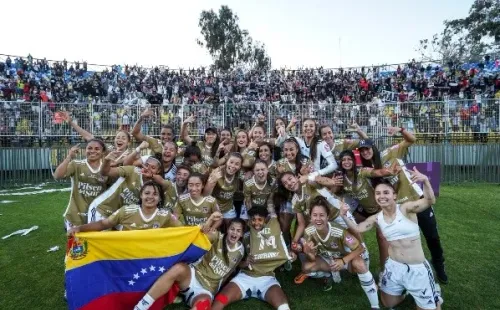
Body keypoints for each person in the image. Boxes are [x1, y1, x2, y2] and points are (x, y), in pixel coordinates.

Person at [340, 169, 443, 310]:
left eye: (386, 192)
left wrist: (425, 181)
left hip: (416, 269)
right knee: (388, 303)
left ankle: (435, 294)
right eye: (378, 193)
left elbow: (430, 200)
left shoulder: (406, 209)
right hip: (394, 267)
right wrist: (344, 215)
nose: (382, 196)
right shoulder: (377, 218)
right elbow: (358, 228)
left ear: (394, 195)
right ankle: (407, 291)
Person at [359, 130, 448, 284]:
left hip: (416, 199)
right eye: (362, 151)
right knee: (405, 241)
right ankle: (405, 274)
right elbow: (376, 173)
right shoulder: (365, 169)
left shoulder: (390, 152)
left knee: (432, 236)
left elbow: (411, 139)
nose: (365, 152)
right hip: (399, 210)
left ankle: (438, 263)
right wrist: (388, 171)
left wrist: (401, 130)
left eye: (367, 148)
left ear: (373, 148)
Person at [133, 218, 246, 310]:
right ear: (227, 230)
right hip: (192, 276)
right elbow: (204, 233)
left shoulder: (241, 251)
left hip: (206, 289)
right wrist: (211, 219)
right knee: (178, 268)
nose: (234, 233)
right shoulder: (218, 237)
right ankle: (141, 306)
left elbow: (231, 270)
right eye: (232, 229)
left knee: (203, 305)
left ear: (241, 234)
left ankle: (180, 295)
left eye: (238, 230)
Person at [300, 197, 380, 309]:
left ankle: (375, 306)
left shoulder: (338, 231)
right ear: (310, 216)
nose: (318, 219)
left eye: (322, 215)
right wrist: (309, 252)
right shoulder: (308, 231)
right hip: (328, 260)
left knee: (360, 265)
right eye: (315, 215)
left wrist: (343, 261)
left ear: (327, 217)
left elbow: (360, 248)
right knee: (306, 267)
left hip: (345, 259)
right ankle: (329, 275)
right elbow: (312, 259)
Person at [211, 207, 293, 310]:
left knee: (283, 307)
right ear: (250, 220)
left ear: (265, 220)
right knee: (220, 300)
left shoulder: (272, 234)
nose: (256, 223)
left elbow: (282, 253)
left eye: (260, 219)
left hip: (267, 279)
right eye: (253, 219)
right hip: (245, 277)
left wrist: (291, 255)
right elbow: (237, 263)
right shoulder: (245, 237)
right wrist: (246, 262)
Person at [69, 181, 193, 232]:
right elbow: (103, 224)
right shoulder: (126, 211)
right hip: (126, 258)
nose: (150, 197)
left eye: (155, 194)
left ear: (160, 198)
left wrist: (200, 230)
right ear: (141, 195)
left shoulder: (165, 215)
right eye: (147, 193)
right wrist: (79, 229)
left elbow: (182, 231)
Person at [86, 151, 163, 223]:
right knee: (99, 236)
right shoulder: (133, 171)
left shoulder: (154, 187)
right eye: (146, 165)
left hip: (120, 218)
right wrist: (107, 160)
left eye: (153, 168)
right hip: (102, 209)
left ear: (158, 171)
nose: (148, 169)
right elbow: (105, 172)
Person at [53, 140, 108, 229]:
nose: (93, 151)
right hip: (75, 216)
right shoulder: (76, 164)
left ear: (102, 152)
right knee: (76, 243)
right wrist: (69, 157)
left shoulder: (106, 169)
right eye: (89, 148)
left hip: (97, 217)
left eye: (97, 149)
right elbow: (57, 176)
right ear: (85, 150)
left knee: (93, 243)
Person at [204, 153, 244, 227]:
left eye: (237, 164)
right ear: (226, 162)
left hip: (228, 207)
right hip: (214, 207)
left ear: (240, 166)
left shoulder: (240, 175)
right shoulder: (217, 172)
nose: (233, 166)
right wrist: (211, 182)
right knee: (213, 228)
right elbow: (205, 195)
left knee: (231, 227)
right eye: (231, 162)